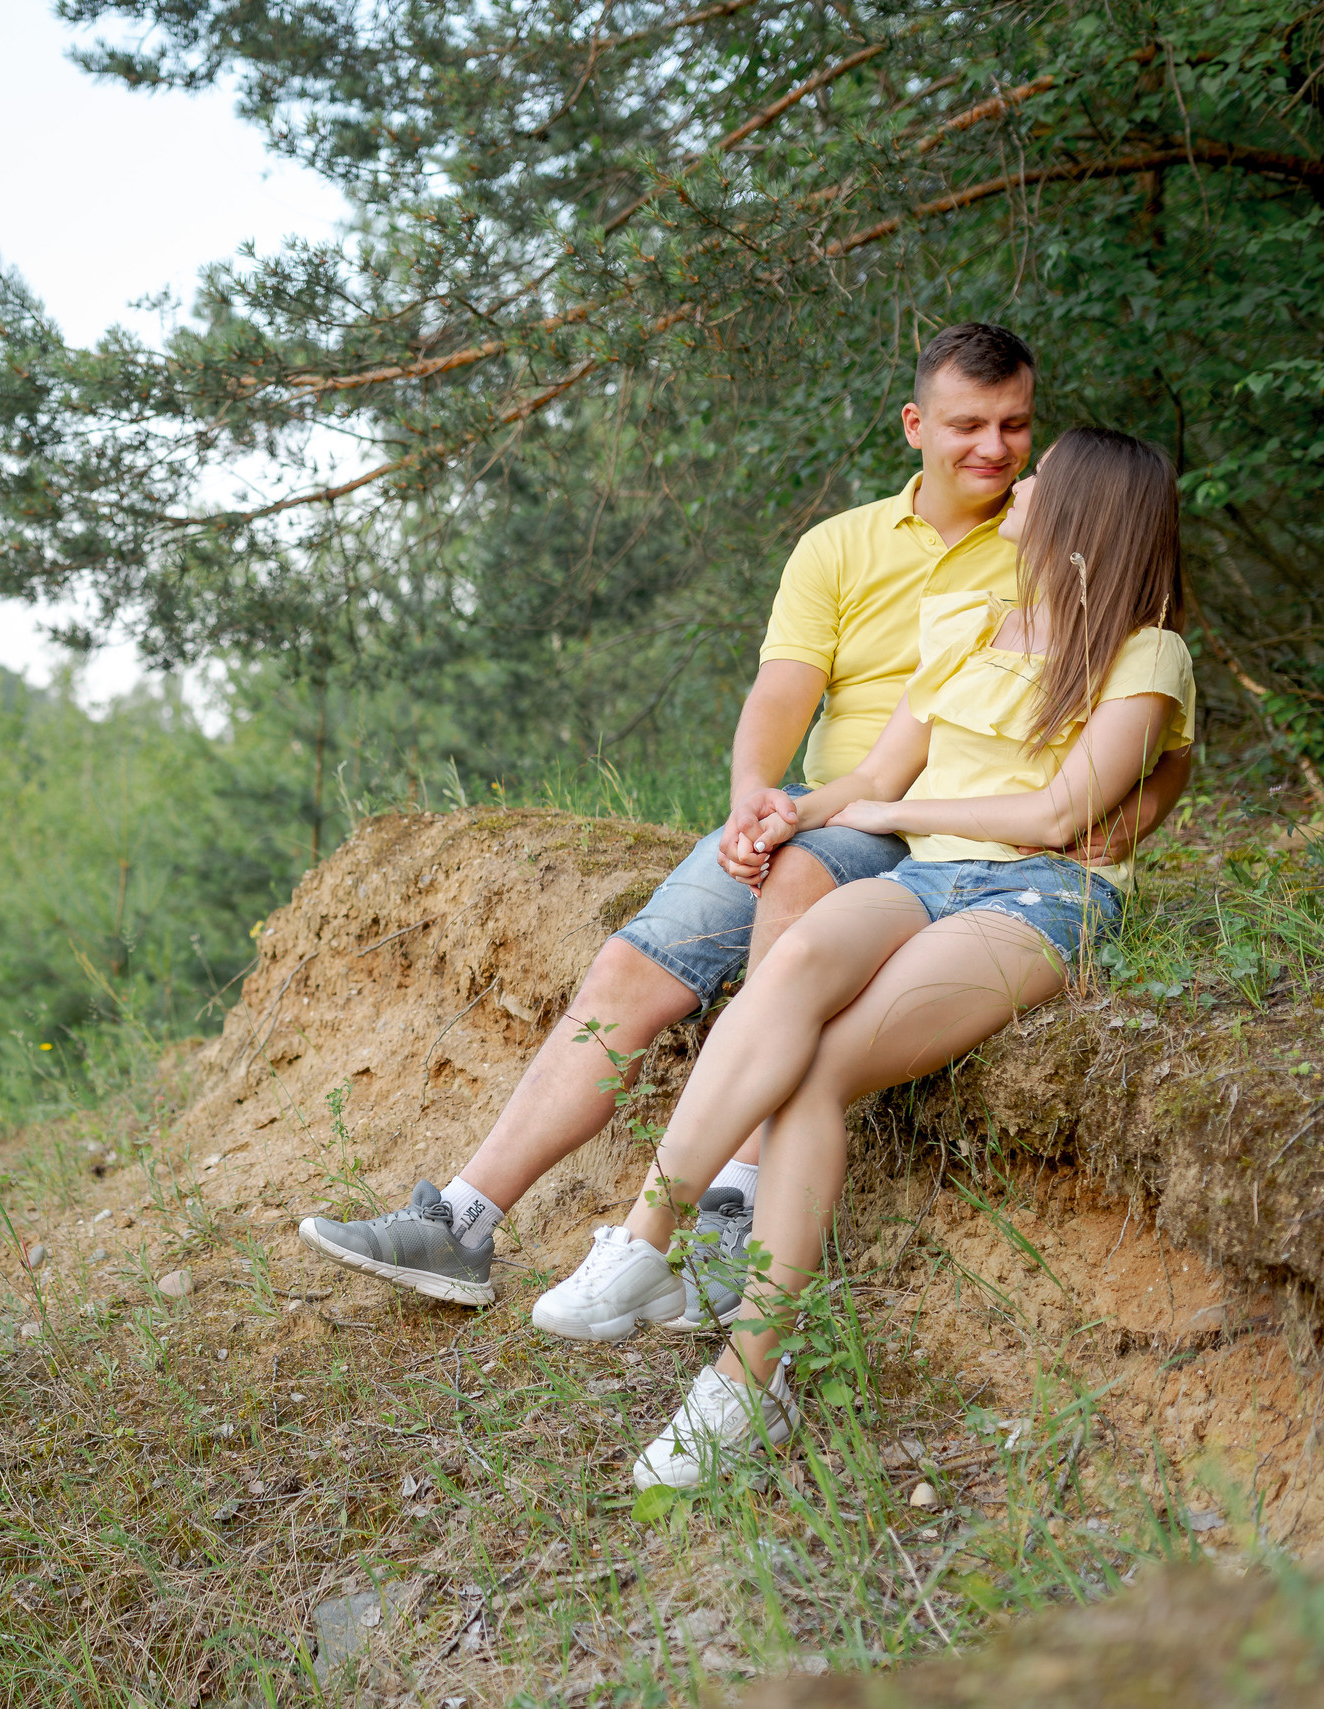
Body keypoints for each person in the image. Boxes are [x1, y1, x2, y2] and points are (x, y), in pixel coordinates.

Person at [298, 325, 1191, 1322]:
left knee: (805, 879)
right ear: (915, 425)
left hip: (936, 831)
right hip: (850, 802)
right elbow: (783, 690)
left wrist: (1128, 816)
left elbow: (1142, 717)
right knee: (637, 962)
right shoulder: (844, 545)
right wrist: (754, 801)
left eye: (1015, 426)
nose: (994, 448)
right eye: (966, 425)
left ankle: (735, 1199)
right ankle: (461, 1218)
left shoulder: (1061, 544)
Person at [606, 425, 1197, 1487]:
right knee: (783, 973)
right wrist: (797, 808)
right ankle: (643, 1245)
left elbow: (1066, 808)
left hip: (1042, 892)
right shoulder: (972, 617)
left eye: (1038, 474)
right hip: (924, 876)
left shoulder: (1146, 652)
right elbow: (882, 769)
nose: (1014, 480)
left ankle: (749, 1380)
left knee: (822, 1069)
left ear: (1080, 515)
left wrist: (900, 807)